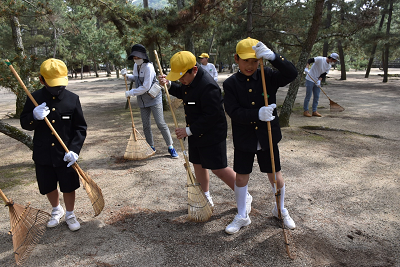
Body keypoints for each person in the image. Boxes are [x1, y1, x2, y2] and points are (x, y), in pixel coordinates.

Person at [158, 51, 252, 210]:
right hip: (196, 132)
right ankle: (205, 196)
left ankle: (244, 194)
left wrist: (188, 131)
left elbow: (212, 116)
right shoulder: (189, 81)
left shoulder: (208, 86)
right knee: (198, 164)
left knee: (218, 168)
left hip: (212, 134)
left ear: (194, 70)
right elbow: (183, 92)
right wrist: (169, 84)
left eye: (181, 77)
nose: (181, 81)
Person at [223, 37, 298, 234]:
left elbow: (292, 73)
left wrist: (274, 57)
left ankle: (280, 209)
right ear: (236, 59)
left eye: (255, 61)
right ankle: (242, 215)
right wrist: (256, 114)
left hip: (268, 136)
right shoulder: (230, 84)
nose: (250, 65)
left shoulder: (267, 75)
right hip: (244, 138)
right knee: (241, 178)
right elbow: (233, 111)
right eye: (246, 60)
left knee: (275, 176)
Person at [20, 58, 87, 231]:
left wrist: (75, 150)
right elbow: (24, 123)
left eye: (60, 83)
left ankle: (70, 214)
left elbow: (80, 128)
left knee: (68, 184)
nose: (58, 88)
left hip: (65, 153)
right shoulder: (33, 98)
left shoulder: (72, 99)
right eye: (52, 84)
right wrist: (33, 117)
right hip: (43, 153)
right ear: (41, 79)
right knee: (48, 184)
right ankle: (56, 209)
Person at [121, 44, 178, 158]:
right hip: (142, 101)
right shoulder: (136, 66)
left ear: (143, 56)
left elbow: (146, 86)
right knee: (146, 125)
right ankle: (150, 146)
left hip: (153, 99)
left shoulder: (148, 67)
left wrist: (131, 92)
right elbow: (136, 78)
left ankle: (171, 147)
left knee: (160, 123)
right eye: (134, 58)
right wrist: (127, 76)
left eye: (138, 57)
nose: (136, 59)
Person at [303, 53, 339, 117]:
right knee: (308, 95)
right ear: (331, 58)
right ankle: (306, 111)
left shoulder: (329, 66)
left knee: (316, 96)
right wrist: (306, 68)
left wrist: (319, 80)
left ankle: (314, 111)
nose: (334, 62)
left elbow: (323, 74)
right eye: (334, 60)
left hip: (317, 81)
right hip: (310, 78)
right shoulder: (320, 59)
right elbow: (309, 60)